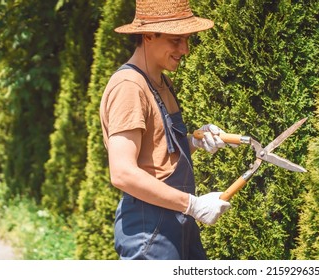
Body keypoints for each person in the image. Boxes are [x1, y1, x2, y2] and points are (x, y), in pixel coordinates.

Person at [99, 0, 232, 260]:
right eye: (176, 40)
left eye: (187, 40)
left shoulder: (161, 82)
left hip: (177, 221)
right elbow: (122, 173)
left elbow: (158, 154)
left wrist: (196, 142)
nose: (185, 49)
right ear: (148, 35)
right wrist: (193, 204)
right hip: (149, 231)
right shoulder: (129, 86)